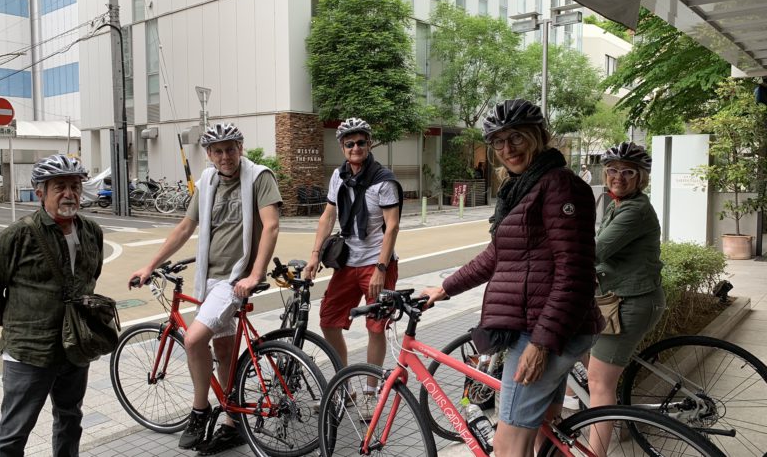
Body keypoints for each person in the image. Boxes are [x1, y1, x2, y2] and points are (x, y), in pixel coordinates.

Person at [421, 99, 604, 456]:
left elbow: (575, 273)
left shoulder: (558, 187)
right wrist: (444, 288)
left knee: (508, 446)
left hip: (544, 333)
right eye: (498, 142)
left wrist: (540, 345)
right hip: (550, 327)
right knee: (540, 434)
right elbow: (498, 255)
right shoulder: (523, 189)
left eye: (517, 138)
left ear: (539, 137)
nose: (508, 149)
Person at [129, 123, 282, 455]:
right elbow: (186, 227)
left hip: (235, 278)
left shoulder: (259, 177)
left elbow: (271, 226)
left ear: (241, 147)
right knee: (224, 352)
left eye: (230, 148)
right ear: (209, 154)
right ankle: (232, 424)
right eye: (217, 151)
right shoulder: (208, 182)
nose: (224, 156)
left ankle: (199, 411)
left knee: (193, 339)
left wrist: (254, 275)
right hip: (208, 279)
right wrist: (150, 265)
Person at [0, 154, 103, 457]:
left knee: (70, 419)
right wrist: (17, 324)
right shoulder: (18, 234)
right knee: (14, 432)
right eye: (59, 186)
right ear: (40, 193)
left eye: (75, 185)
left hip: (75, 347)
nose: (69, 193)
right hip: (29, 352)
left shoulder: (91, 231)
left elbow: (90, 276)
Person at [303, 117, 402, 416]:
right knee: (329, 320)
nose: (355, 147)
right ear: (343, 147)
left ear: (369, 144)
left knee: (375, 327)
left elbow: (392, 225)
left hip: (377, 263)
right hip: (347, 263)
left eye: (361, 142)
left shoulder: (383, 179)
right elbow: (328, 216)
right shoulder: (339, 176)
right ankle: (345, 389)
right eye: (349, 143)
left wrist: (380, 269)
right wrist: (314, 255)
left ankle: (372, 392)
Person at [585, 142, 664, 454]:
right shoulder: (618, 203)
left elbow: (596, 251)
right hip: (620, 297)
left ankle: (596, 453)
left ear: (640, 178)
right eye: (613, 170)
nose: (618, 176)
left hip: (631, 303)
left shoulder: (635, 210)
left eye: (628, 171)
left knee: (599, 383)